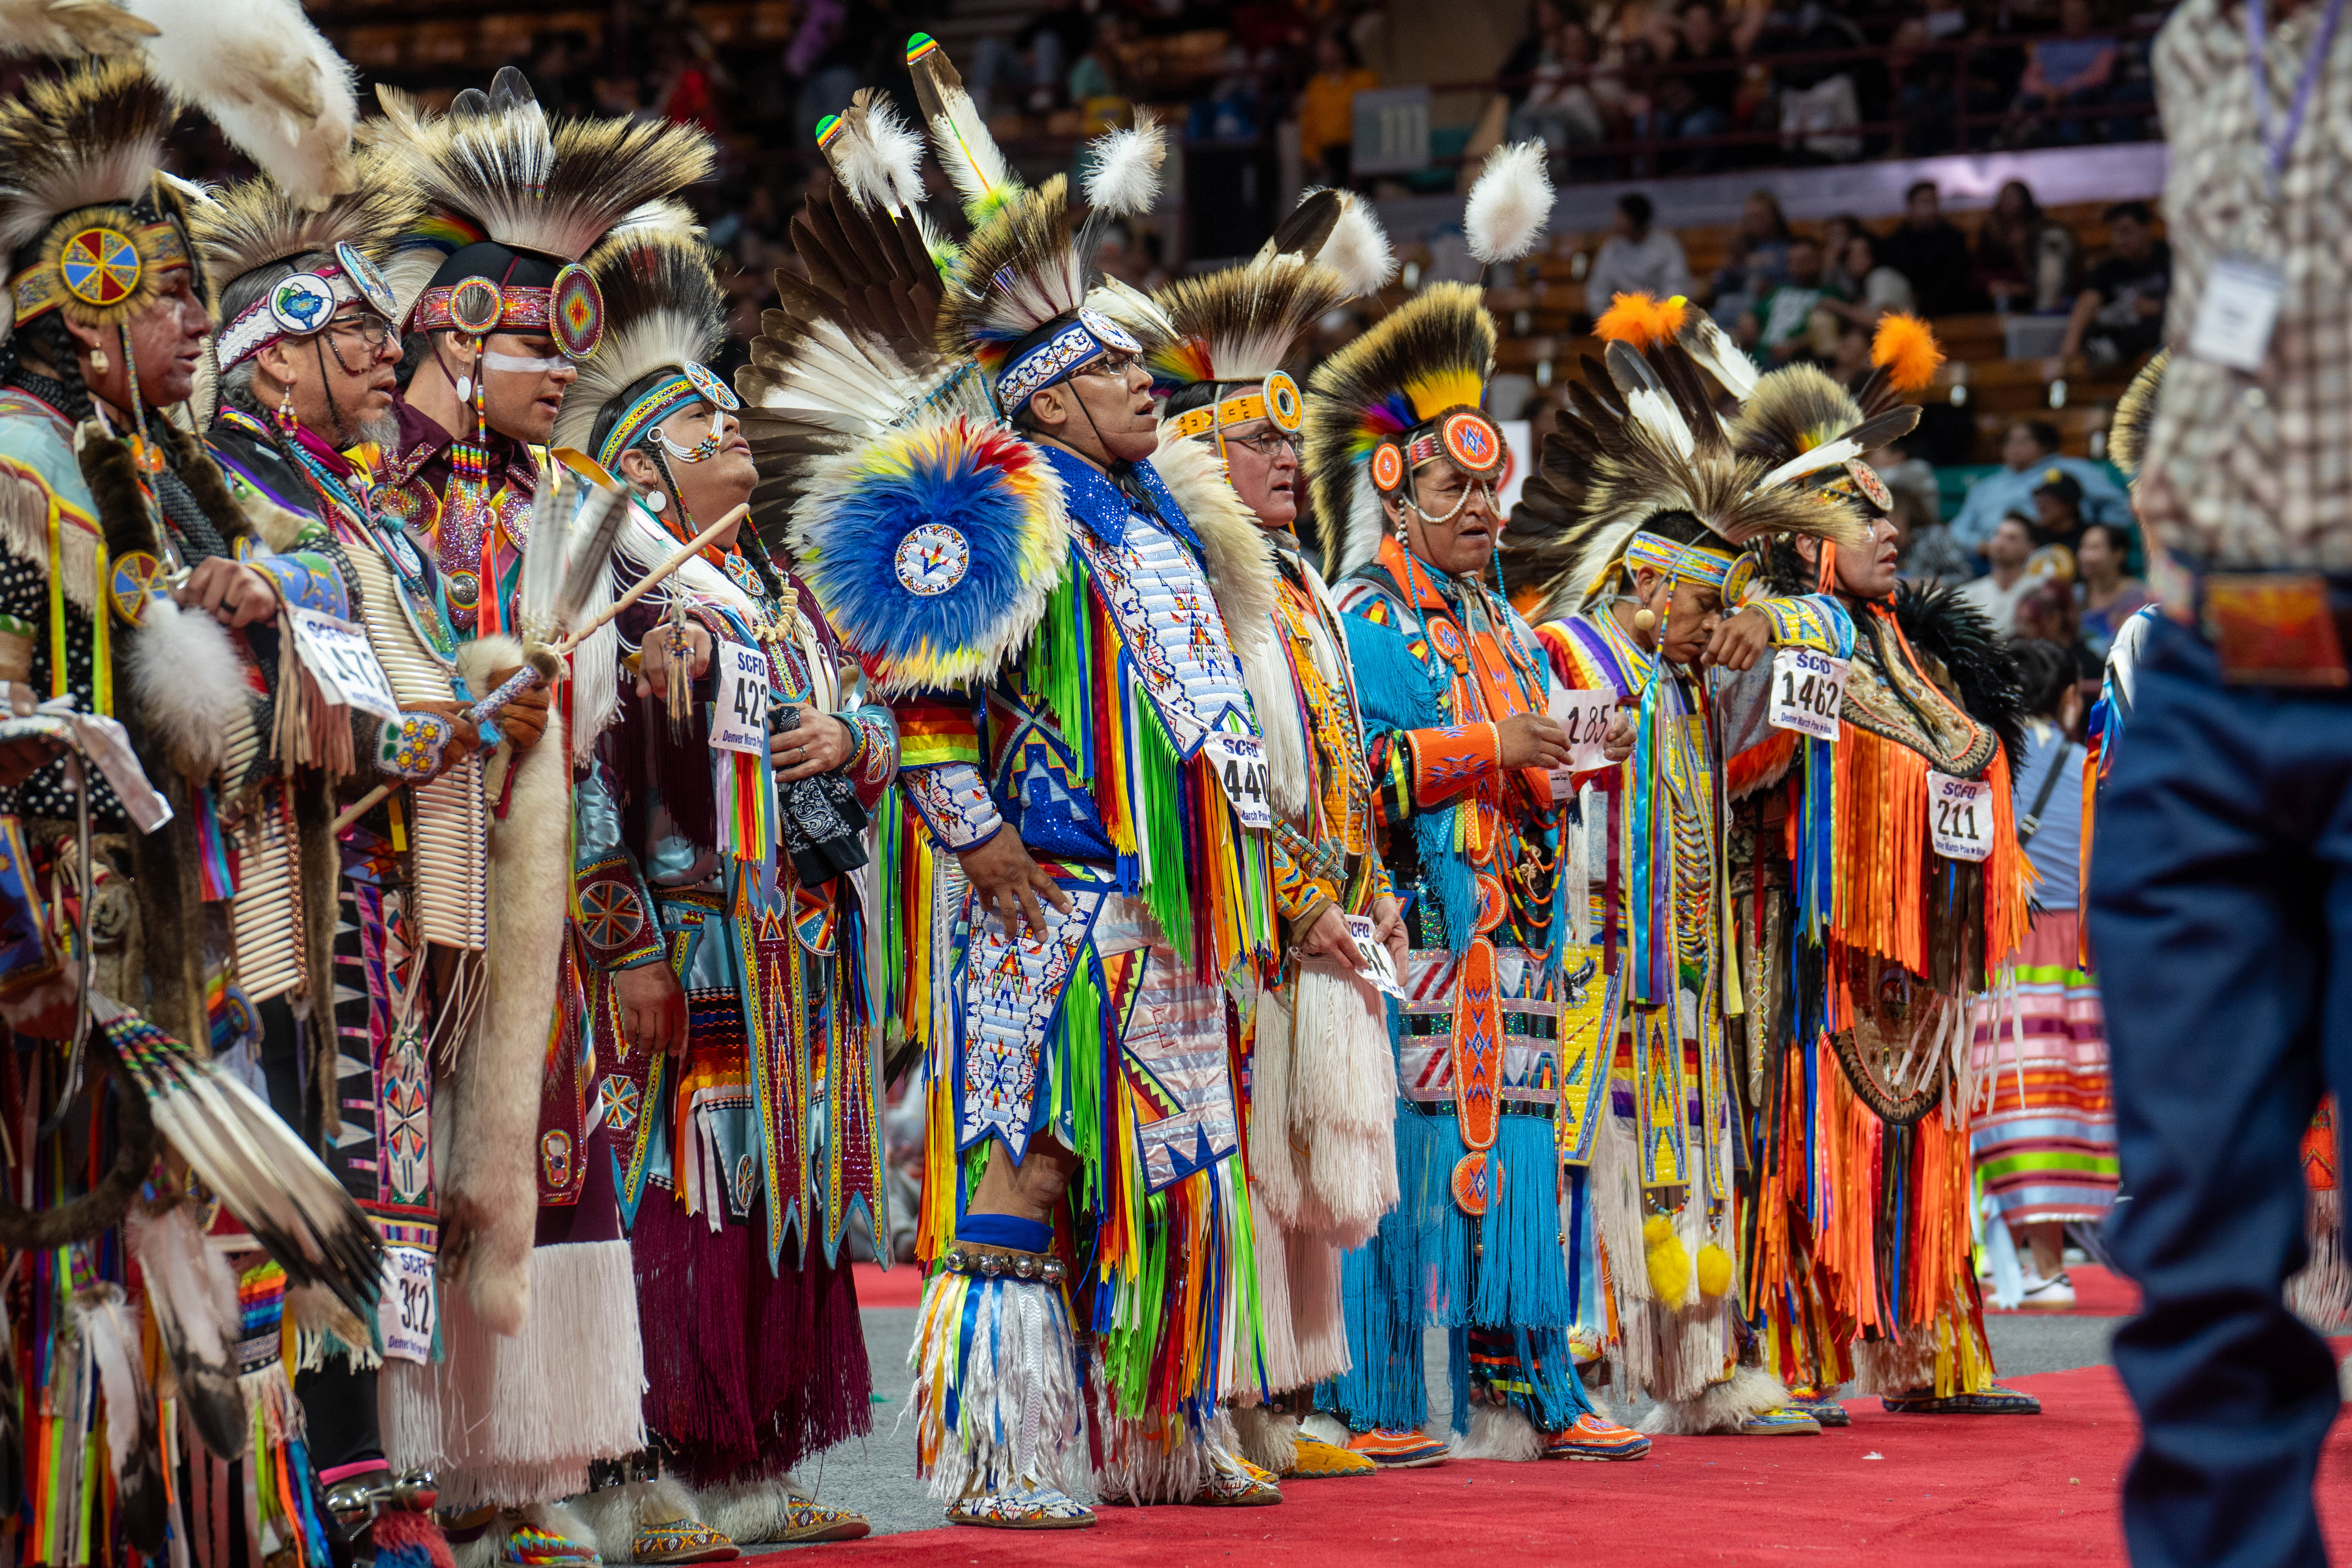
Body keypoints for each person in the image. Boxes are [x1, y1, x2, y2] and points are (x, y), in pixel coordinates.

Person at [834, 45, 1278, 1524]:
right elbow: (922, 693)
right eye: (1108, 370)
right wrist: (974, 843)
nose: (1141, 381)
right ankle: (998, 1451)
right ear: (1044, 392)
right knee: (1024, 1157)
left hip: (1167, 902)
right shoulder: (997, 506)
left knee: (1183, 1162)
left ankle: (1162, 1431)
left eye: (1135, 365)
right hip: (1049, 897)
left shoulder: (1157, 514)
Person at [0, 47, 390, 1567]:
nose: (193, 325)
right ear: (87, 306)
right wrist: (29, 949)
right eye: (167, 298)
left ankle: (135, 1519)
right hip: (62, 959)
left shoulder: (121, 472)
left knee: (134, 1229)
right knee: (69, 1237)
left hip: (134, 937)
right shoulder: (26, 466)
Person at [365, 67, 719, 1563]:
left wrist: (651, 662)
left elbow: (691, 636)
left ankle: (517, 1464)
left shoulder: (562, 495)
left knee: (552, 1161)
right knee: (421, 1167)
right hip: (410, 886)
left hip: (549, 899)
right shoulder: (377, 494)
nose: (561, 374)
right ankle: (413, 1466)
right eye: (533, 343)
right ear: (448, 329)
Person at [1304, 176, 1653, 1464]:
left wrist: (1557, 763)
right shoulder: (1367, 621)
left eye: (1489, 498)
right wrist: (1485, 749)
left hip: (1509, 954)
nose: (1480, 516)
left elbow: (1522, 763)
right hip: (1415, 948)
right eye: (1451, 501)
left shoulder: (1505, 622)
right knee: (1407, 1177)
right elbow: (1355, 779)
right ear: (1395, 498)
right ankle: (1387, 1396)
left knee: (1515, 1179)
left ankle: (1526, 1390)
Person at [1511, 304, 1877, 1440]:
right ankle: (1564, 1371)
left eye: (1723, 607)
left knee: (1692, 1163)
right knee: (1585, 1156)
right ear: (1643, 582)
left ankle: (1697, 1367)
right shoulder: (1568, 650)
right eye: (1701, 603)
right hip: (1589, 965)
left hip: (1688, 980)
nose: (1711, 626)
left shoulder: (1692, 678)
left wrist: (1766, 626)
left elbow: (1836, 642)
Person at [1139, 189, 1406, 1481]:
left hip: (1311, 907)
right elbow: (1214, 767)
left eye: (1294, 444)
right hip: (1229, 918)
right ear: (1196, 455)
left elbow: (1335, 760)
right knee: (1242, 1156)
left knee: (1299, 1161)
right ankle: (1229, 1398)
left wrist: (1360, 881)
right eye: (1258, 445)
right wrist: (1289, 889)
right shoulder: (1192, 582)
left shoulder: (1297, 582)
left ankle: (1288, 1392)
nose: (1291, 463)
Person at [1724, 358, 2041, 1422]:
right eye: (1863, 516)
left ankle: (1933, 1355)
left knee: (1926, 1133)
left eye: (1894, 513)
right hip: (1807, 942)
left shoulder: (1917, 656)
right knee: (1801, 1143)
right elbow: (1750, 769)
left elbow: (1965, 751)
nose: (1891, 531)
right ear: (1809, 540)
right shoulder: (1783, 637)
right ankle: (1792, 1354)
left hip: (1915, 951)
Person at [1971, 639, 2116, 1310]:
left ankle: (1981, 1253)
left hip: (1995, 946)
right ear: (2067, 700)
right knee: (2055, 1106)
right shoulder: (2082, 767)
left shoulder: (1981, 761)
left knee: (1995, 1100)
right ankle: (2047, 1264)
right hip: (2069, 954)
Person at [1949, 418, 2132, 554]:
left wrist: (2097, 539)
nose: (2013, 447)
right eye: (2009, 441)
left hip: (2054, 551)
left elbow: (2118, 505)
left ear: (2045, 446)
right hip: (1988, 558)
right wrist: (1981, 545)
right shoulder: (1987, 486)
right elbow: (1958, 529)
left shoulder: (2074, 470)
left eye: (2022, 441)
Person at [2058, 200, 2170, 368]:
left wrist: (2156, 307)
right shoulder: (2108, 269)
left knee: (2158, 326)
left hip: (2164, 334)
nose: (2118, 240)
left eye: (2125, 232)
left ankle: (2112, 351)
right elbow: (2087, 303)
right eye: (2114, 232)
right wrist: (2068, 349)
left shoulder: (2170, 258)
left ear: (2146, 229)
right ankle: (2106, 352)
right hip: (2123, 331)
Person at [2008, 0, 2119, 147]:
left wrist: (2064, 90)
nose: (2073, 18)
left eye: (2078, 14)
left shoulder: (2105, 41)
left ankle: (2069, 146)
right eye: (2069, 14)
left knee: (2076, 101)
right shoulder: (2048, 43)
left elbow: (2100, 75)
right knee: (2028, 103)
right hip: (2048, 96)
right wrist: (2048, 92)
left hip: (2085, 96)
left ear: (2089, 15)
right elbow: (2028, 80)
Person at [1875, 180, 1985, 318]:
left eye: (1933, 202)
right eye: (1924, 203)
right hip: (1904, 310)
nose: (1930, 208)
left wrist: (1925, 300)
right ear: (1910, 207)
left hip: (1946, 309)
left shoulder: (1954, 240)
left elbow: (1954, 281)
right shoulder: (1893, 244)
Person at [1974, 179, 2080, 313]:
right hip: (2001, 293)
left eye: (2014, 196)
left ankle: (2047, 311)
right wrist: (2001, 285)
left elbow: (2050, 272)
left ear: (2025, 200)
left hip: (2038, 290)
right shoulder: (1991, 231)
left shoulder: (2042, 230)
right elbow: (1980, 269)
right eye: (2005, 196)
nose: (2009, 202)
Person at [1739, 234, 1842, 365]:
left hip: (1797, 360)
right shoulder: (1778, 291)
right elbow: (1754, 315)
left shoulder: (1830, 294)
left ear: (1819, 261)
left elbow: (1831, 333)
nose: (1798, 265)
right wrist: (1748, 318)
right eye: (1793, 260)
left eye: (1805, 260)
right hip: (1760, 356)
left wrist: (1794, 346)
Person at [1586, 192, 1694, 311]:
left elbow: (1676, 288)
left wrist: (1660, 318)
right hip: (1622, 320)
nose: (1614, 219)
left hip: (1660, 319)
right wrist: (1606, 318)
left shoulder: (1667, 246)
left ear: (1634, 219)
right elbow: (1598, 291)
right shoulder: (1611, 249)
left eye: (1620, 215)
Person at [1301, 26, 1381, 185]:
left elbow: (1373, 119)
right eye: (1321, 49)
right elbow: (1309, 126)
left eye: (1329, 48)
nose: (1323, 53)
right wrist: (1314, 156)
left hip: (1359, 151)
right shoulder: (1316, 86)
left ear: (1343, 50)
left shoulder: (1364, 80)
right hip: (1328, 156)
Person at [1706, 189, 1793, 322]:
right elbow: (1719, 289)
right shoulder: (1740, 248)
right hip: (1737, 306)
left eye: (1759, 216)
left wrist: (1772, 288)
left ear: (1774, 216)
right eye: (1749, 217)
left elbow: (1797, 284)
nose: (1754, 222)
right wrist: (1729, 269)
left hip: (1771, 306)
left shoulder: (1789, 248)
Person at [2074, 520, 2151, 660]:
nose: (2085, 556)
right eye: (2083, 548)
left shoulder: (2140, 596)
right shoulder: (2075, 596)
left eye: (2094, 549)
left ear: (2119, 554)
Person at [1956, 514, 2042, 634]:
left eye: (2011, 538)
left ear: (2030, 548)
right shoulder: (1966, 596)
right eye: (1997, 534)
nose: (2000, 543)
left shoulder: (2040, 589)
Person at [1822, 229, 1918, 326]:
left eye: (1863, 253)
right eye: (1851, 254)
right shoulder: (1860, 284)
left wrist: (1839, 307)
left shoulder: (1882, 276)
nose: (1856, 260)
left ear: (1874, 255)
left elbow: (1884, 321)